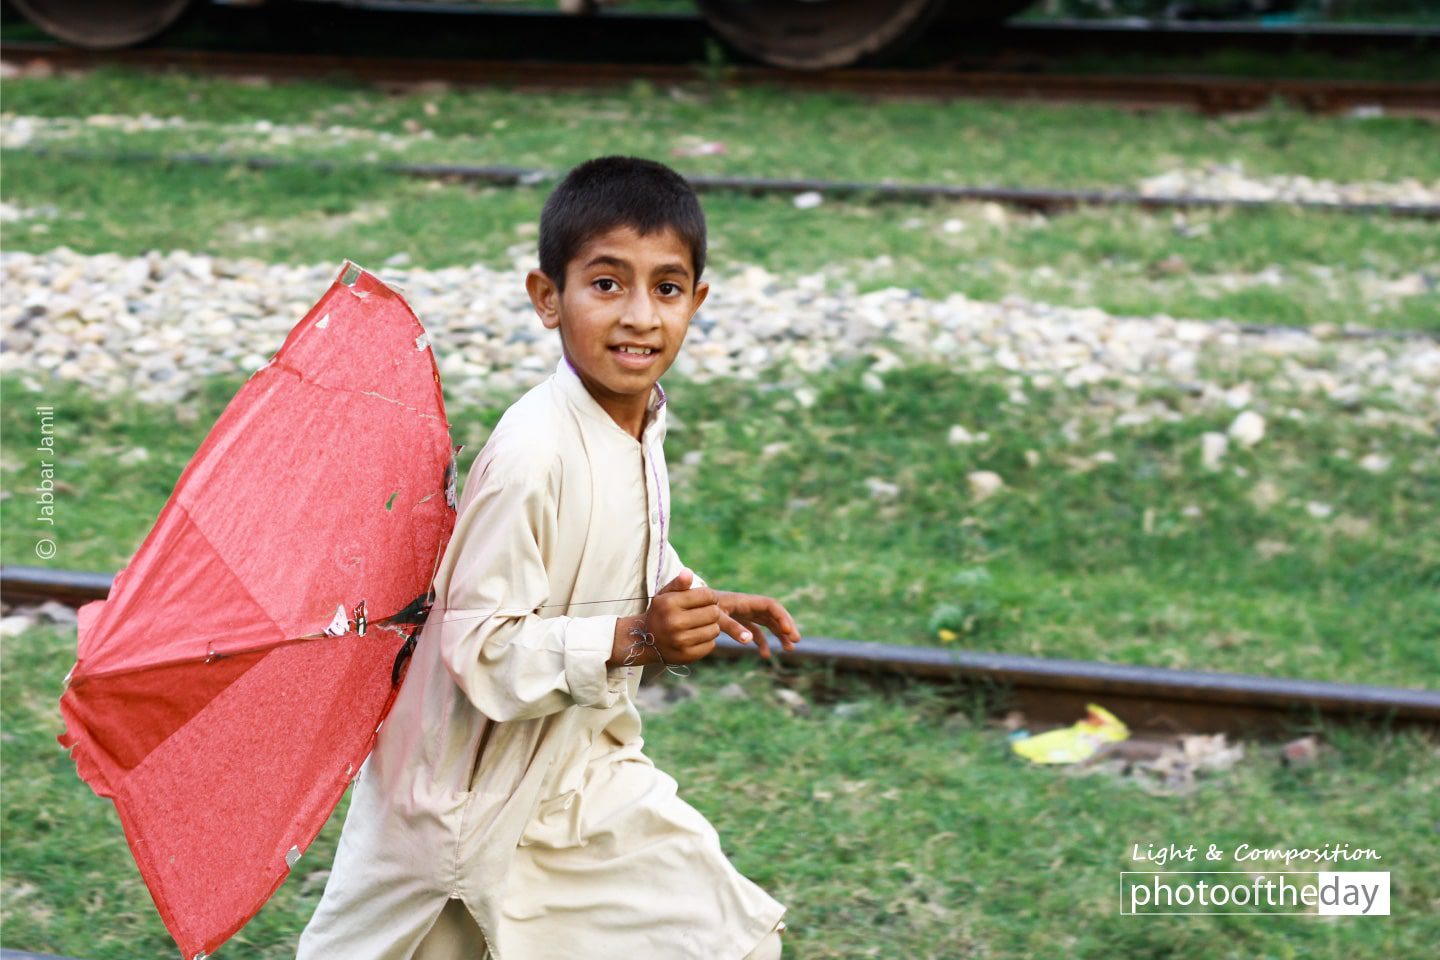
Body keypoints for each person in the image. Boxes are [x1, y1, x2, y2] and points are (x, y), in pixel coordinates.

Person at [296, 156, 802, 960]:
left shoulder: (636, 424)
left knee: (721, 940)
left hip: (580, 775)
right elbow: (480, 646)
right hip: (467, 799)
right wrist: (642, 638)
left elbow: (615, 536)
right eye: (606, 285)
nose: (639, 316)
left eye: (666, 289)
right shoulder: (533, 454)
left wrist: (690, 592)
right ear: (547, 298)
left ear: (696, 304)